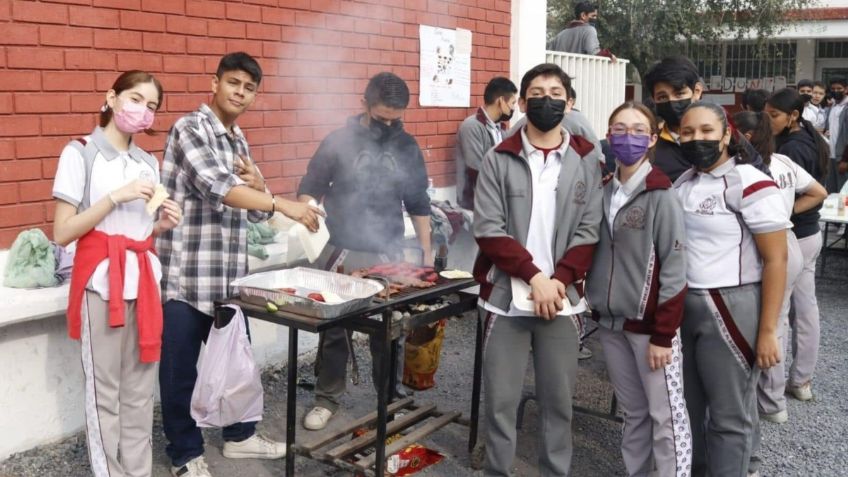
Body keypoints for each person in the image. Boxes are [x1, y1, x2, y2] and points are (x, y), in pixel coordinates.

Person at [156, 52, 321, 477]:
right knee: (179, 372)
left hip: (229, 280)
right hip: (187, 276)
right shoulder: (190, 128)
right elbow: (219, 187)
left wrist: (264, 189)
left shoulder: (238, 140)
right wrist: (281, 201)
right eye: (233, 83)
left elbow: (255, 210)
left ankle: (240, 437)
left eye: (249, 89)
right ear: (214, 83)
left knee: (238, 366)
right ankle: (185, 454)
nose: (240, 93)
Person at [474, 62, 602, 476]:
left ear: (570, 101)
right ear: (523, 103)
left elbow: (589, 231)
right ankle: (498, 470)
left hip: (561, 301)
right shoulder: (498, 157)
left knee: (557, 403)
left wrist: (558, 282)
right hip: (505, 300)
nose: (547, 99)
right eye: (537, 92)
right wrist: (535, 278)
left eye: (556, 91)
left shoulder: (586, 160)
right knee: (500, 402)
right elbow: (489, 231)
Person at [53, 70, 180, 477]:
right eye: (136, 99)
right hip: (100, 284)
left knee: (141, 392)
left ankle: (138, 472)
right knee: (104, 392)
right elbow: (63, 231)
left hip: (142, 282)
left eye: (152, 106)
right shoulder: (80, 152)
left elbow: (139, 230)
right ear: (112, 97)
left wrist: (160, 227)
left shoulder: (148, 162)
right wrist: (114, 197)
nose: (144, 111)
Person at [297, 72, 433, 431]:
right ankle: (327, 399)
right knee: (334, 331)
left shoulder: (407, 146)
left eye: (395, 118)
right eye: (381, 117)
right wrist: (308, 215)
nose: (388, 126)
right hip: (340, 249)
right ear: (364, 104)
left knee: (389, 331)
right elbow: (309, 187)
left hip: (387, 252)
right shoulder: (338, 141)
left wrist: (428, 255)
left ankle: (390, 399)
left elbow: (419, 202)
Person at [675, 102, 789, 477]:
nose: (697, 139)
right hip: (684, 307)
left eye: (707, 131)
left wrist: (769, 331)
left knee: (729, 413)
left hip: (731, 307)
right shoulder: (684, 182)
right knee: (688, 408)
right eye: (688, 132)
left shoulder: (749, 182)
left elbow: (777, 260)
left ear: (726, 135)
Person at [586, 102, 691, 477]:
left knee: (665, 415)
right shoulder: (602, 190)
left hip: (651, 330)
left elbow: (676, 269)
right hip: (612, 324)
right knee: (633, 412)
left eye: (636, 130)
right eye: (619, 129)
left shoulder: (662, 194)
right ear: (609, 135)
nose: (627, 137)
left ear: (651, 139)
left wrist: (664, 333)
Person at [764, 88, 831, 403]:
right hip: (811, 235)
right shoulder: (811, 137)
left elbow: (812, 192)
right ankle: (801, 381)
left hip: (795, 236)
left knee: (779, 312)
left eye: (773, 115)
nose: (768, 121)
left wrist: (784, 210)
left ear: (793, 116)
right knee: (806, 309)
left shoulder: (791, 149)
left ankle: (773, 396)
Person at [645, 56, 767, 183]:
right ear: (654, 99)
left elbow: (762, 177)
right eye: (662, 97)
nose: (672, 102)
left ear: (697, 91)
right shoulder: (651, 148)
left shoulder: (727, 134)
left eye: (679, 94)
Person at [455, 76, 517, 211]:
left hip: (496, 201)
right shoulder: (472, 126)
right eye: (512, 103)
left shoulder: (500, 128)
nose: (513, 108)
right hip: (474, 204)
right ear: (501, 101)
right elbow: (476, 169)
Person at [547, 1, 615, 60]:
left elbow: (548, 55)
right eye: (593, 16)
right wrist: (609, 55)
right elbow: (594, 52)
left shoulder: (560, 34)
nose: (595, 18)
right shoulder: (589, 30)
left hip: (560, 74)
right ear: (583, 15)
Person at [825, 78, 848, 192]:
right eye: (833, 89)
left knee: (843, 192)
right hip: (831, 157)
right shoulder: (832, 107)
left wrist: (845, 160)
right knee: (831, 191)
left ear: (846, 89)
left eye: (839, 89)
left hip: (842, 158)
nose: (836, 91)